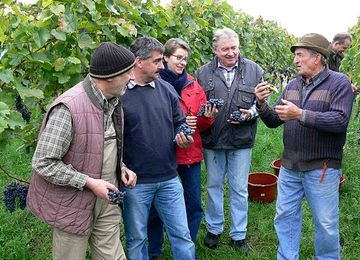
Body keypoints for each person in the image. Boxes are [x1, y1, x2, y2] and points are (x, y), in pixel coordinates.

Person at [27, 42, 138, 259]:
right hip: (72, 207)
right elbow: (43, 162)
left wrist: (121, 167)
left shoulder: (114, 102)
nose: (133, 77)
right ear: (111, 77)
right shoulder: (69, 108)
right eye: (129, 72)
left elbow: (98, 146)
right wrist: (89, 182)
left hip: (107, 200)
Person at [255, 33, 354, 259]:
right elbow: (273, 121)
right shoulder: (292, 85)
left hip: (322, 168)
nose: (295, 60)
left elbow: (339, 121)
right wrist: (261, 104)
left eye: (300, 55)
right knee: (285, 217)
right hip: (290, 167)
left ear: (317, 57)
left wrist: (300, 114)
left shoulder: (339, 83)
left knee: (326, 223)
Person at [120, 36, 196, 260]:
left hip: (169, 179)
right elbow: (111, 139)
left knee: (182, 235)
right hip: (136, 184)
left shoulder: (166, 90)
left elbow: (180, 123)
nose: (162, 66)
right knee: (136, 239)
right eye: (157, 61)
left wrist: (184, 136)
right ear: (138, 61)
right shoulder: (120, 94)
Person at [147, 38, 217, 259]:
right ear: (165, 57)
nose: (182, 63)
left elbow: (202, 126)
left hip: (189, 154)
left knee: (194, 204)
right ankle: (154, 250)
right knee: (156, 209)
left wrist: (207, 118)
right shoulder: (153, 85)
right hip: (163, 156)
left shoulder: (194, 86)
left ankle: (187, 245)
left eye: (185, 59)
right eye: (178, 58)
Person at [196, 28, 264, 252]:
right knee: (214, 185)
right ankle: (214, 229)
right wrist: (205, 113)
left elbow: (260, 103)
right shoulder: (202, 73)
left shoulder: (254, 70)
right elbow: (197, 104)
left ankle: (238, 234)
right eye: (225, 49)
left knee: (239, 187)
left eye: (234, 47)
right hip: (213, 139)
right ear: (215, 50)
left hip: (241, 138)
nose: (231, 53)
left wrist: (249, 114)